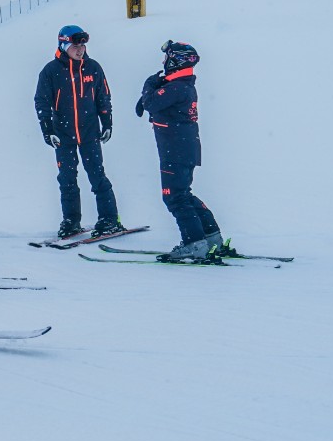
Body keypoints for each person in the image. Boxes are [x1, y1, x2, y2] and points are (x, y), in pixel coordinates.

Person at [33, 25, 127, 240]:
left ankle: (109, 219)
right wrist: (47, 130)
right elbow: (42, 102)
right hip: (63, 134)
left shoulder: (93, 68)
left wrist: (107, 123)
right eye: (76, 45)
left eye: (83, 45)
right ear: (64, 45)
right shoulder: (51, 71)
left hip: (89, 132)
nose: (80, 49)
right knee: (67, 179)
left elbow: (104, 97)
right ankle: (71, 221)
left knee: (97, 176)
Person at [134, 40, 223, 263]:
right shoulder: (180, 85)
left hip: (175, 150)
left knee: (173, 198)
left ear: (176, 60)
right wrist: (152, 92)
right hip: (183, 148)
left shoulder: (177, 87)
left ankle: (194, 243)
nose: (164, 62)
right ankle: (211, 238)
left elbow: (152, 103)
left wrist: (149, 84)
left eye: (167, 58)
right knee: (183, 194)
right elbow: (154, 101)